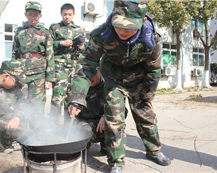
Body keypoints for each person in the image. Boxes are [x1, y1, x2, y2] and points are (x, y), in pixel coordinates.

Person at [68, 0, 171, 172]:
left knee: (146, 116)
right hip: (113, 80)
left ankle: (154, 151)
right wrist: (77, 98)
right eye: (119, 25)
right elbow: (86, 65)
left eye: (129, 27)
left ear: (143, 20)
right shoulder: (101, 34)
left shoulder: (152, 38)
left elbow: (153, 69)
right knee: (114, 121)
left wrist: (147, 95)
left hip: (138, 80)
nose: (123, 31)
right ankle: (116, 163)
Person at [12, 1, 55, 118]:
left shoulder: (45, 33)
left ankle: (36, 132)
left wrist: (49, 78)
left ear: (40, 16)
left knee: (37, 106)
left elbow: (50, 55)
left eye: (36, 15)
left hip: (38, 75)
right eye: (30, 14)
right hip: (21, 73)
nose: (33, 17)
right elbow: (14, 53)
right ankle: (21, 132)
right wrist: (12, 73)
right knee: (21, 103)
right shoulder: (19, 32)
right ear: (25, 15)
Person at [49, 3, 86, 113]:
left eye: (70, 14)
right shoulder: (54, 28)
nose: (67, 17)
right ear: (61, 14)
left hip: (74, 68)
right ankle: (53, 127)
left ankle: (68, 128)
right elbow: (47, 46)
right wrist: (60, 43)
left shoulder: (78, 30)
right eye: (65, 14)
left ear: (73, 15)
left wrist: (82, 47)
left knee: (71, 100)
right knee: (57, 98)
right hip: (60, 67)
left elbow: (84, 50)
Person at [75, 68, 106, 154]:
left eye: (93, 73)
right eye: (87, 75)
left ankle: (106, 146)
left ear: (99, 72)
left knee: (114, 124)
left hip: (103, 125)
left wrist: (105, 116)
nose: (90, 77)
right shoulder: (79, 89)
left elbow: (122, 111)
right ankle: (84, 145)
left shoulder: (108, 88)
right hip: (84, 125)